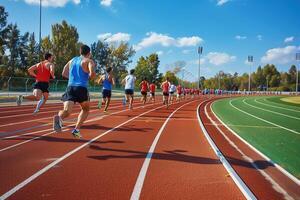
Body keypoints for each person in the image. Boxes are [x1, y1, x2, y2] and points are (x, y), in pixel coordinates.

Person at [53, 44, 96, 138]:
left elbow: (64, 73)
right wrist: (89, 77)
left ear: (80, 52)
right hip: (82, 88)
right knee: (85, 109)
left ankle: (59, 118)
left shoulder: (72, 60)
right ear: (89, 53)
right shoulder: (89, 61)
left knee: (67, 111)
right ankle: (76, 130)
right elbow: (92, 74)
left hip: (70, 87)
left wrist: (73, 79)